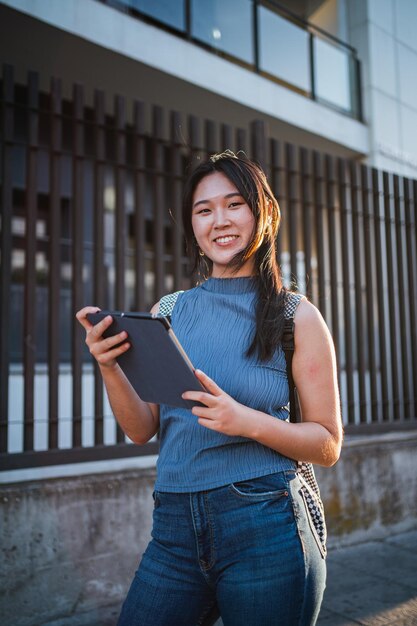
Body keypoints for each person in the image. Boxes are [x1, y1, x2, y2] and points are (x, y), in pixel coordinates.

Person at [76, 150, 343, 626]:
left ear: (262, 213)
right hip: (174, 525)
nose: (219, 220)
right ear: (193, 227)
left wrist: (247, 422)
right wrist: (109, 366)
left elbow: (326, 444)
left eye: (234, 204)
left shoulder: (295, 316)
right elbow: (142, 429)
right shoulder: (169, 311)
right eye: (204, 210)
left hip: (266, 520)